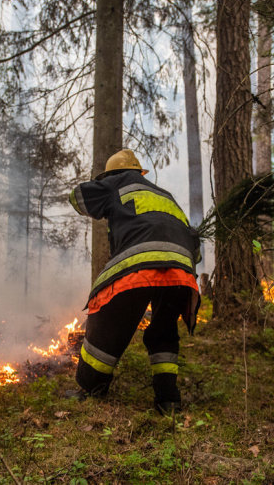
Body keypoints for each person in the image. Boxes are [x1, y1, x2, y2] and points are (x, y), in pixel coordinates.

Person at [68, 148, 200, 415]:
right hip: (181, 271)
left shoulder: (115, 183)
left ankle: (91, 387)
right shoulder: (165, 195)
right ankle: (168, 400)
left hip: (139, 265)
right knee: (163, 332)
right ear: (141, 172)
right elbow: (194, 244)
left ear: (114, 173)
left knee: (105, 321)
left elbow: (77, 197)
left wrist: (103, 185)